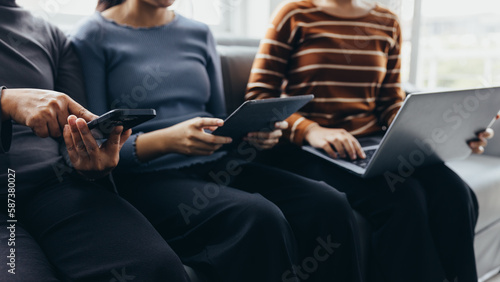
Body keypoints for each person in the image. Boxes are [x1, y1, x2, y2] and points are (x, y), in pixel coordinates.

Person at [71, 0, 367, 281]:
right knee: (258, 217)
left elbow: (219, 119)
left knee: (329, 204)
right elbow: (96, 143)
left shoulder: (198, 33)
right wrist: (168, 141)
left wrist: (253, 134)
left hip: (216, 163)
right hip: (148, 177)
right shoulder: (92, 37)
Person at [247, 0, 496, 281]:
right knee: (403, 200)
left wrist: (448, 131)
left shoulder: (387, 21)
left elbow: (390, 104)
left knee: (455, 193)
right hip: (309, 150)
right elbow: (259, 98)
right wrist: (310, 130)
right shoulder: (293, 15)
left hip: (371, 144)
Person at [0, 0, 191, 281]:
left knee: (155, 267)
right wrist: (5, 101)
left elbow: (76, 131)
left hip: (52, 188)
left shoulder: (50, 34)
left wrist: (88, 162)